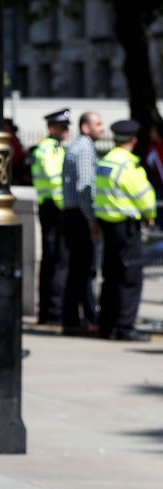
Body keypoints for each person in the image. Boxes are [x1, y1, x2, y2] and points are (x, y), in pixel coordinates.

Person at [94, 119, 157, 341]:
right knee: (130, 278)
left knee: (110, 276)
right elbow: (145, 198)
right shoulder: (128, 165)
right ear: (133, 140)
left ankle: (106, 325)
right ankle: (125, 327)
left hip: (108, 225)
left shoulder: (105, 161)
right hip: (126, 227)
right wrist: (150, 215)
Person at [61, 111, 105, 335]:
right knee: (85, 270)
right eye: (98, 124)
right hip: (80, 216)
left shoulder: (76, 146)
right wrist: (92, 221)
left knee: (76, 270)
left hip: (72, 214)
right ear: (85, 127)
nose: (102, 128)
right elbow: (85, 189)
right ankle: (89, 317)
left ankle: (71, 319)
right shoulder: (85, 149)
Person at [32, 109, 72, 325]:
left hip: (50, 206)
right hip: (54, 208)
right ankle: (53, 311)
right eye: (62, 127)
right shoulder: (48, 148)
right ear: (51, 128)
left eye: (67, 126)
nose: (66, 131)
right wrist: (64, 202)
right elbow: (54, 177)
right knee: (57, 259)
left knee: (53, 259)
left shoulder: (53, 147)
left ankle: (49, 311)